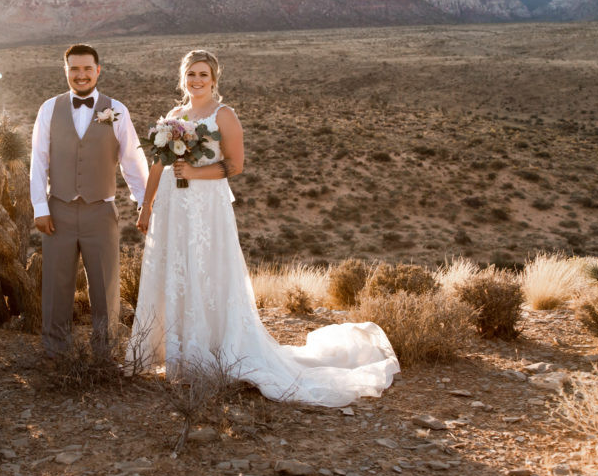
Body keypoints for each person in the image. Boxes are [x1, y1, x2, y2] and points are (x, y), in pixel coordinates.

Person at [127, 50, 399, 406]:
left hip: (207, 209)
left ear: (214, 79)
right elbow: (158, 164)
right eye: (191, 74)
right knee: (178, 272)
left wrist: (194, 172)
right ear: (183, 78)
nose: (197, 80)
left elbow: (235, 165)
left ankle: (207, 355)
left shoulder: (224, 115)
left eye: (203, 75)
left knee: (208, 273)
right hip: (173, 209)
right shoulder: (175, 116)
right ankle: (178, 358)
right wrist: (147, 206)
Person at [30, 43, 149, 360]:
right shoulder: (48, 109)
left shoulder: (117, 110)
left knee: (105, 286)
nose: (80, 75)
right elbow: (38, 161)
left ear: (98, 71)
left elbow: (133, 162)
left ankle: (105, 355)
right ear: (65, 71)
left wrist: (145, 203)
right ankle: (56, 354)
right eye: (74, 69)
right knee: (56, 286)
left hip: (101, 211)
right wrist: (40, 208)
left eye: (87, 69)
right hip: (59, 211)